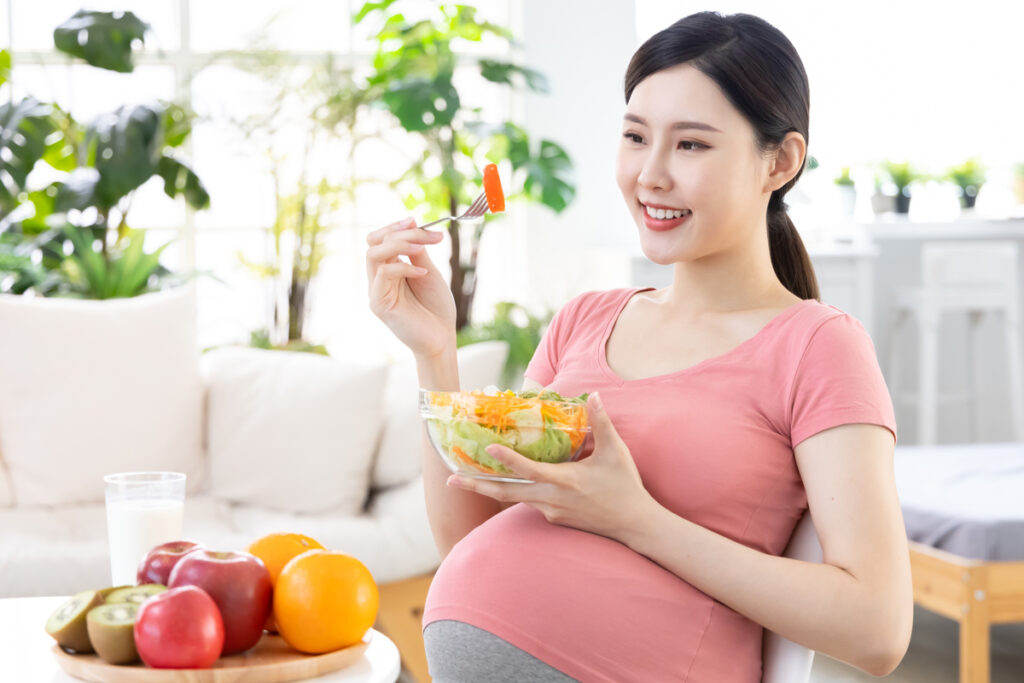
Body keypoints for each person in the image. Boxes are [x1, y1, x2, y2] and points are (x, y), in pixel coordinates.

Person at [366, 11, 912, 683]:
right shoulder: (583, 321)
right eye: (635, 137)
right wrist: (434, 352)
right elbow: (467, 541)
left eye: (691, 146)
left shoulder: (819, 347)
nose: (650, 175)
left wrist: (636, 519)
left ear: (780, 160)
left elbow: (878, 628)